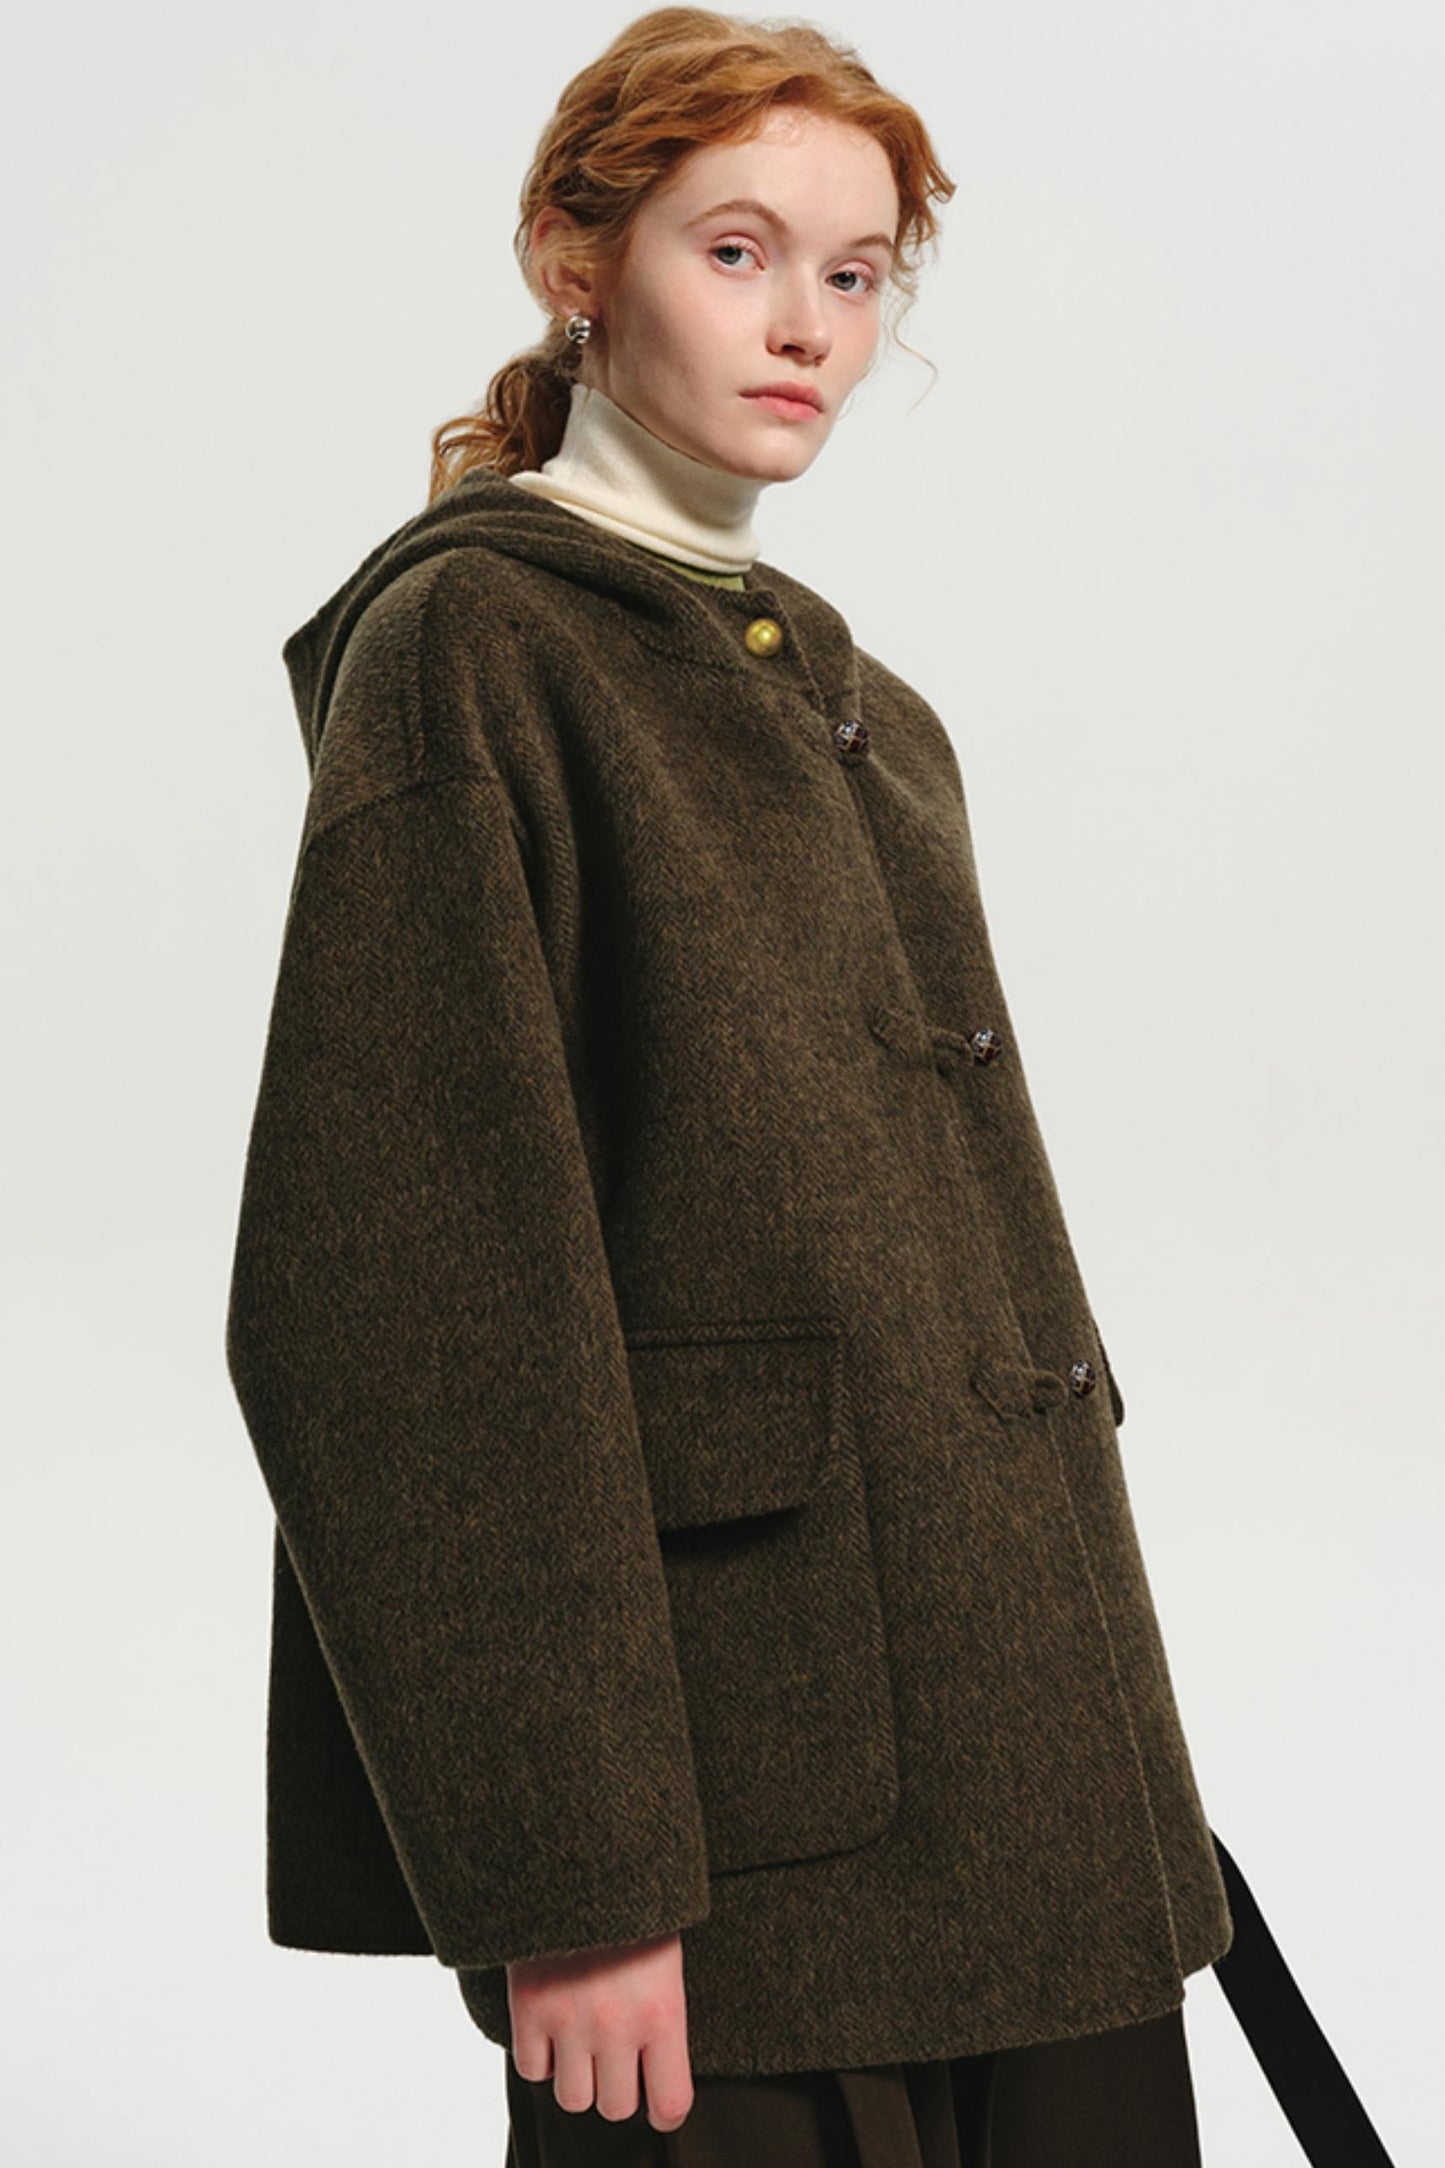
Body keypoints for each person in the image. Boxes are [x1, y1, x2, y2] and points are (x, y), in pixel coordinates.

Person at [226, 11, 1240, 2165]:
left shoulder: (867, 705)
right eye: (737, 250)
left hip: (1029, 1779)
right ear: (573, 261)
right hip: (729, 1828)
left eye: (856, 274)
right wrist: (565, 1875)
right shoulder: (474, 650)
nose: (806, 327)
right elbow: (399, 1317)